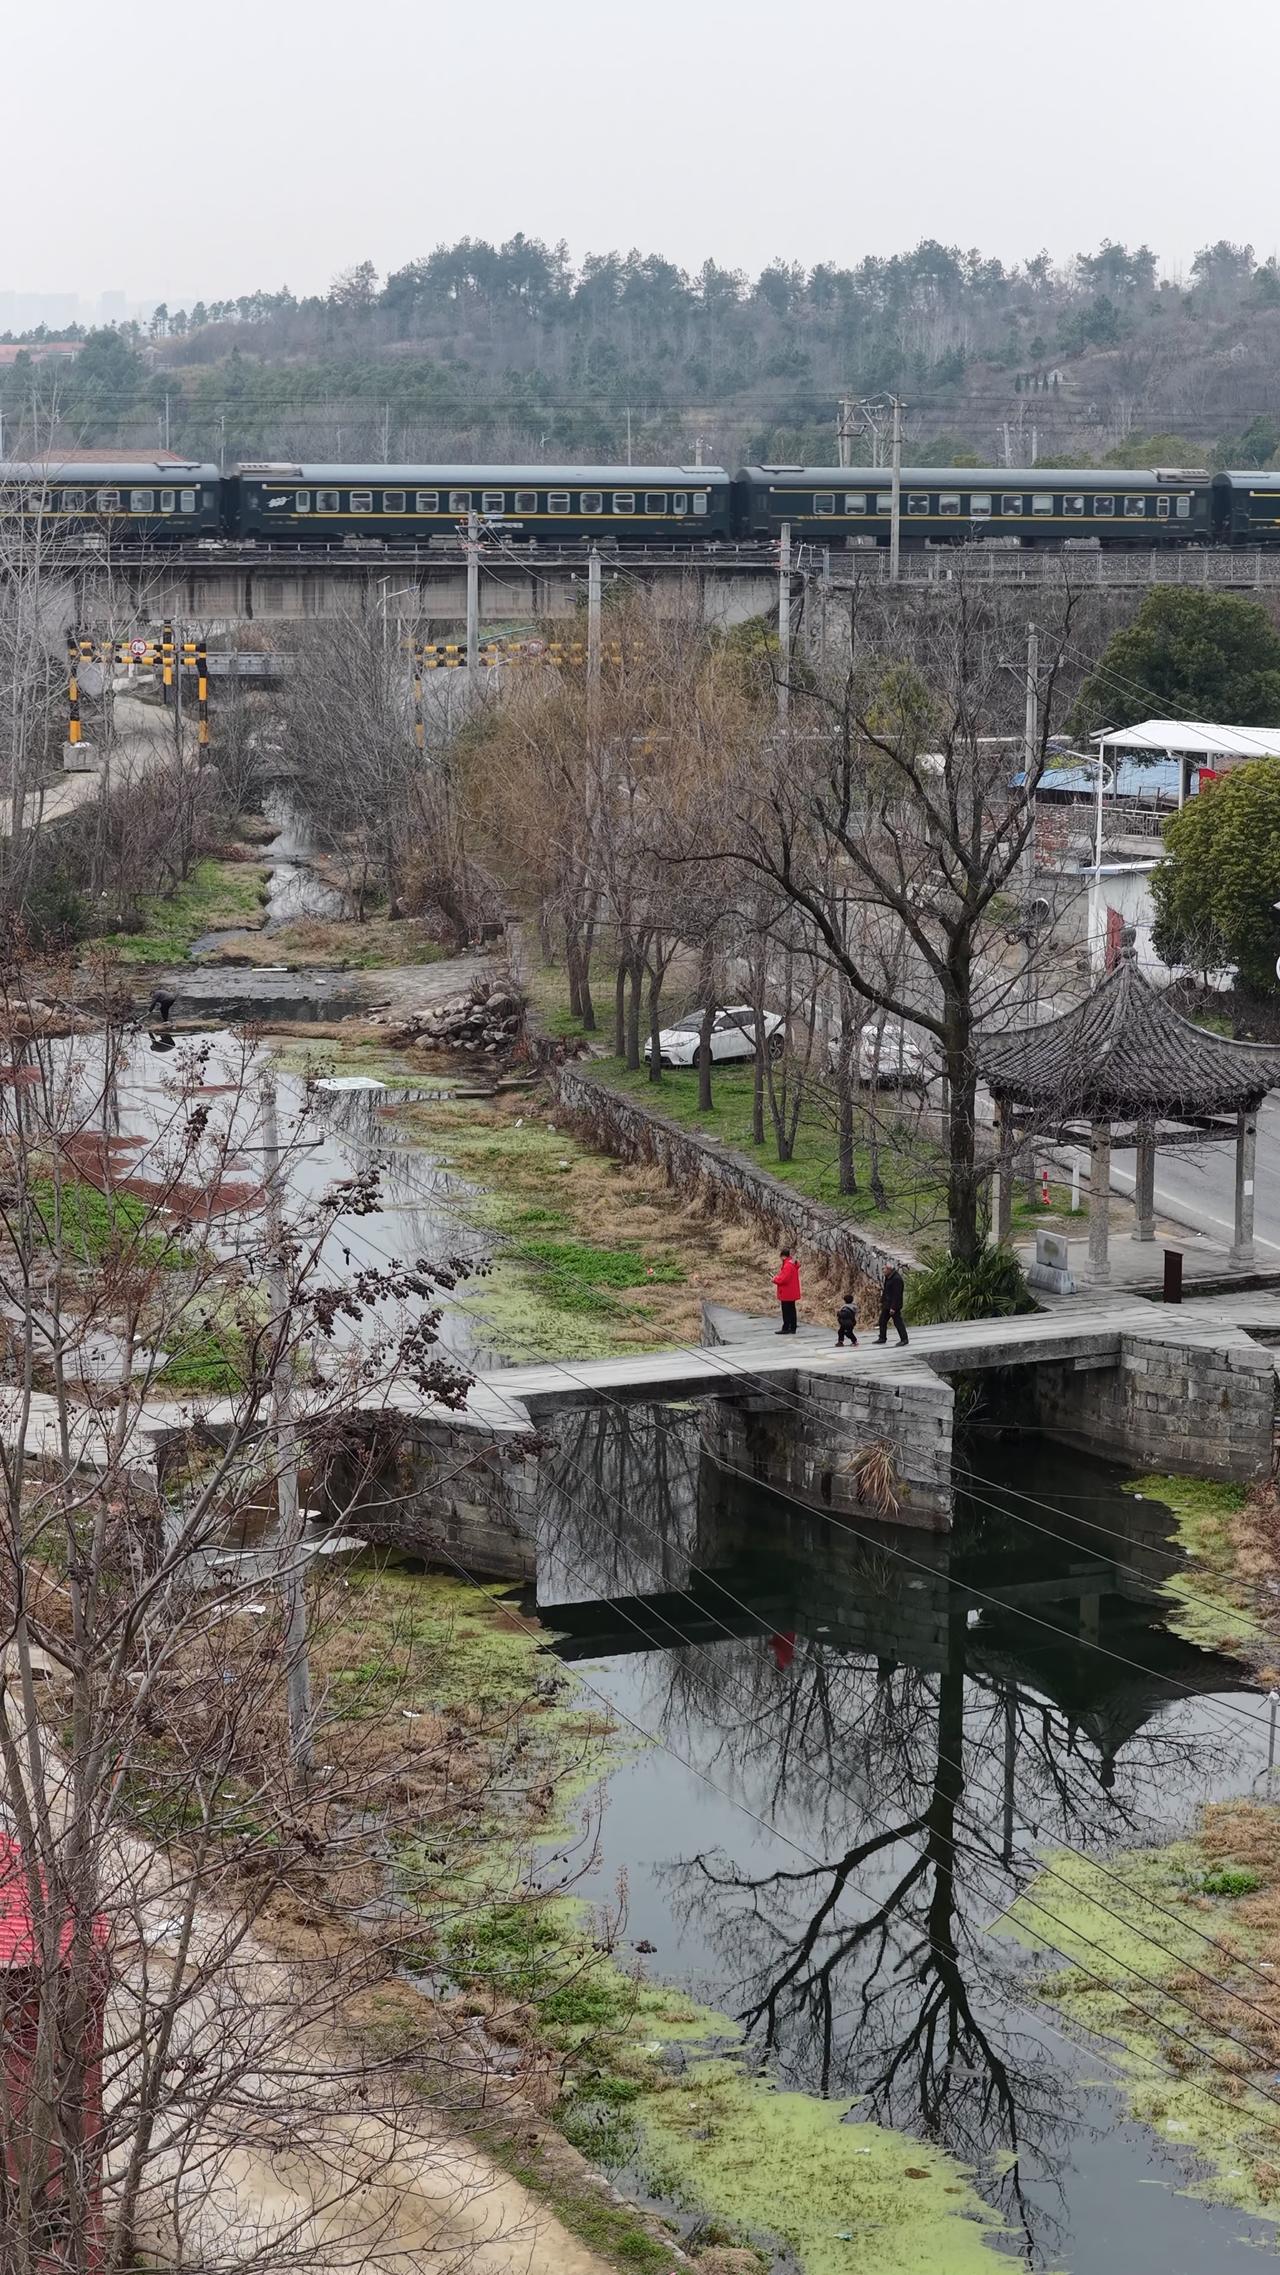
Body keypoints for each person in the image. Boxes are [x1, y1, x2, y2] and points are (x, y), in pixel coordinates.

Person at [876, 1262, 908, 1346]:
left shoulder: (897, 1279)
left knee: (898, 1322)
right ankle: (882, 1337)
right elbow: (886, 1290)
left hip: (894, 1305)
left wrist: (893, 1307)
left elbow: (897, 1295)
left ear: (889, 1269)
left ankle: (904, 1339)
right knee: (882, 1321)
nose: (883, 1270)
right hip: (887, 1304)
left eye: (884, 1269)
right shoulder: (888, 1277)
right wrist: (882, 1301)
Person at [772, 1248, 801, 1334]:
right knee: (792, 1310)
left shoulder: (787, 1266)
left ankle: (786, 1327)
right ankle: (793, 1327)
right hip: (792, 1291)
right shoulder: (792, 1263)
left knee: (786, 1311)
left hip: (786, 1292)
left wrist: (774, 1279)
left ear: (783, 1256)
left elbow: (783, 1279)